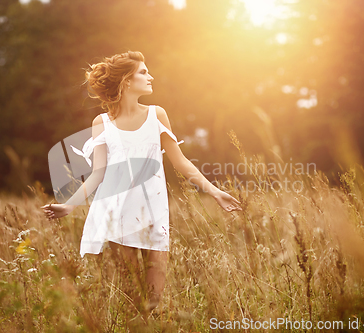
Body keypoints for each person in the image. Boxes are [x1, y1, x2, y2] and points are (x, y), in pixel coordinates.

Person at [41, 51, 241, 315]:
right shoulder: (101, 123)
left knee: (154, 301)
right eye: (144, 72)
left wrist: (216, 192)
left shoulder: (157, 114)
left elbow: (180, 161)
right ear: (126, 81)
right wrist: (69, 206)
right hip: (117, 213)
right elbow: (97, 173)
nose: (151, 77)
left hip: (153, 211)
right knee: (133, 300)